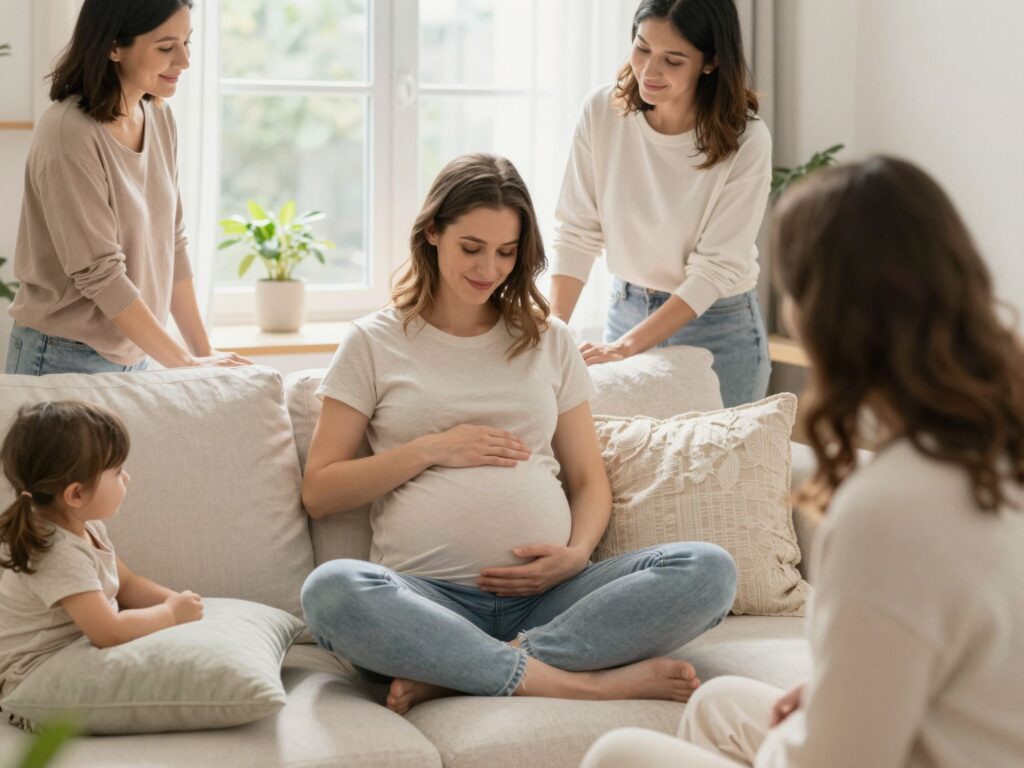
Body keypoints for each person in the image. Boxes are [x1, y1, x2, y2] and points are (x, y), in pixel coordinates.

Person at [580, 157, 1024, 767]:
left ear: (822, 315)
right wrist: (833, 692)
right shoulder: (995, 447)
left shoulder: (885, 510)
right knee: (720, 703)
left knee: (618, 754)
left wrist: (812, 732)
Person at [299, 153, 737, 716]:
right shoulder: (373, 342)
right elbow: (321, 490)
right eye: (472, 248)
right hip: (427, 602)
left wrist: (576, 555)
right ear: (433, 232)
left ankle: (464, 669)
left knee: (707, 570)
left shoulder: (547, 340)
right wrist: (434, 448)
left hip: (552, 599)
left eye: (507, 253)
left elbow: (587, 480)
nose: (490, 268)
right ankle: (578, 682)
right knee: (331, 591)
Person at [5, 0, 250, 375]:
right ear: (113, 47)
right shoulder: (68, 133)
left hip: (138, 351)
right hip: (61, 356)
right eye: (166, 47)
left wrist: (203, 354)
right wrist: (184, 362)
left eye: (187, 43)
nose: (183, 61)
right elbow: (99, 274)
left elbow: (172, 240)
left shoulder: (159, 116)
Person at [549, 0, 772, 408]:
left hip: (718, 324)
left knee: (721, 469)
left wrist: (626, 348)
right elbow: (578, 231)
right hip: (628, 309)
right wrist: (552, 332)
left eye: (673, 60)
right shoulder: (602, 112)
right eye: (642, 47)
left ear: (710, 63)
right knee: (628, 467)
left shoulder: (746, 140)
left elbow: (717, 268)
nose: (650, 71)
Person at [0, 401, 204, 729]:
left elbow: (126, 584)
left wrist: (177, 600)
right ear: (75, 494)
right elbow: (108, 632)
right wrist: (170, 614)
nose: (128, 478)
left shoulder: (86, 526)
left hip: (76, 651)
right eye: (117, 471)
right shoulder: (55, 552)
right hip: (36, 680)